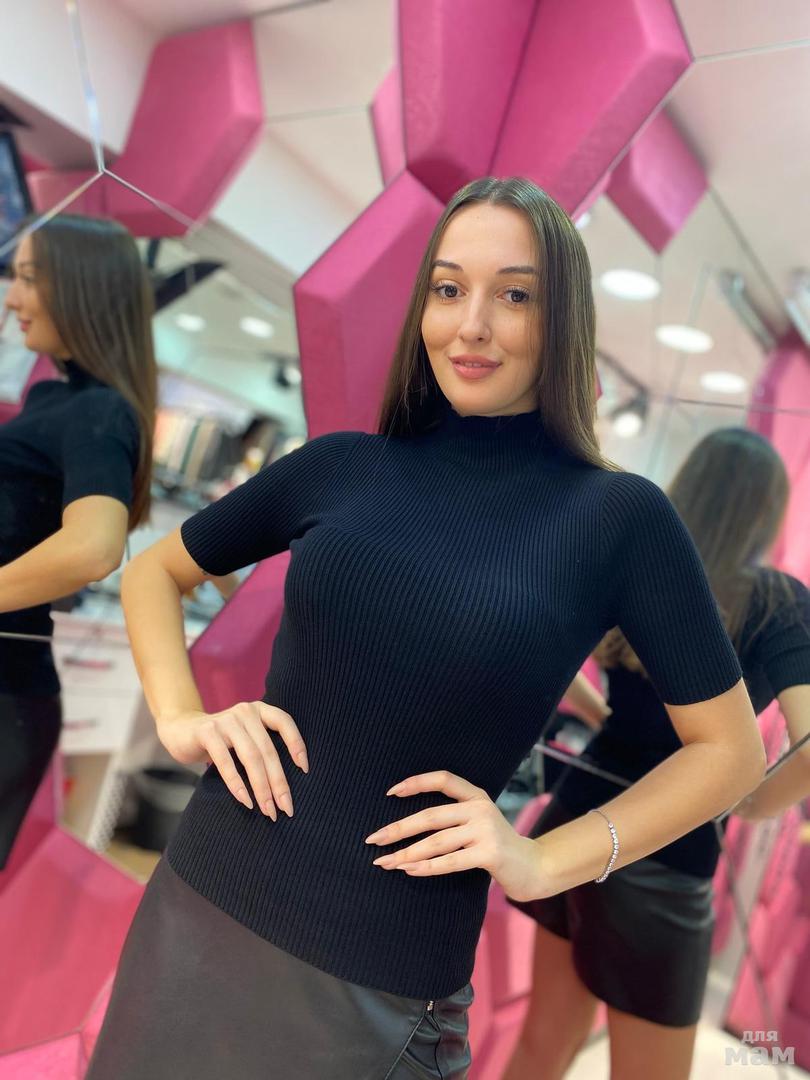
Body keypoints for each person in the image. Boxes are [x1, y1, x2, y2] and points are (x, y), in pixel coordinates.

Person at [86, 178, 765, 1080]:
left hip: (382, 974)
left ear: (563, 319)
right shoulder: (344, 466)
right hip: (202, 900)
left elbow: (731, 753)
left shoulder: (618, 519)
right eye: (448, 289)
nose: (470, 325)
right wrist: (182, 719)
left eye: (514, 296)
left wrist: (545, 860)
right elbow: (154, 572)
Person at [505, 427, 810, 1080]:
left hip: (574, 824)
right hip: (669, 852)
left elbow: (539, 648)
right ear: (767, 509)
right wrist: (750, 801)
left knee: (541, 1047)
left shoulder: (638, 567)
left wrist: (603, 713)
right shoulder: (775, 602)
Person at [0, 214, 156, 868]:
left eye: (29, 278)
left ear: (81, 287)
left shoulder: (101, 409)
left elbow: (93, 548)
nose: (12, 297)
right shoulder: (49, 398)